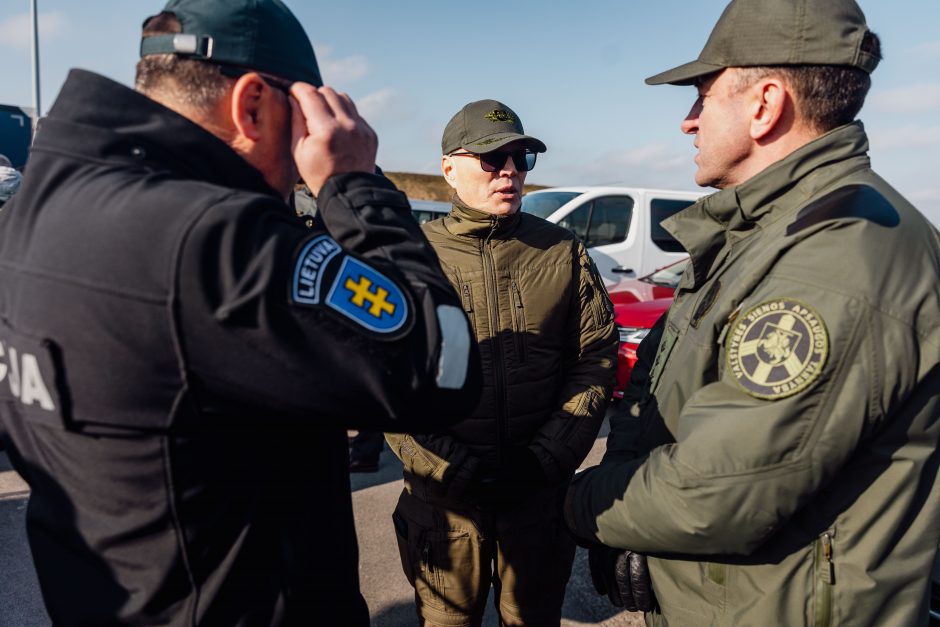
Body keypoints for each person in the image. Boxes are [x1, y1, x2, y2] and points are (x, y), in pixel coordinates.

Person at [0, 0, 481, 625]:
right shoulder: (214, 240)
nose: (309, 143)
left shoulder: (28, 222)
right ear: (252, 105)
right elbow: (443, 365)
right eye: (304, 116)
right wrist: (355, 184)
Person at [564, 0, 940, 625]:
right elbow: (664, 393)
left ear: (765, 105)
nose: (688, 122)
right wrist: (637, 525)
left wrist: (570, 502)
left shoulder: (838, 253)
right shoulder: (764, 232)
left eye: (702, 96)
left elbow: (715, 494)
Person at [386, 99, 618, 627]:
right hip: (443, 507)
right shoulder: (409, 259)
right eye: (493, 159)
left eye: (521, 158)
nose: (510, 171)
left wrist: (543, 458)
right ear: (450, 168)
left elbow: (594, 358)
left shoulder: (562, 252)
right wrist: (451, 467)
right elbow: (383, 377)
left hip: (535, 501)